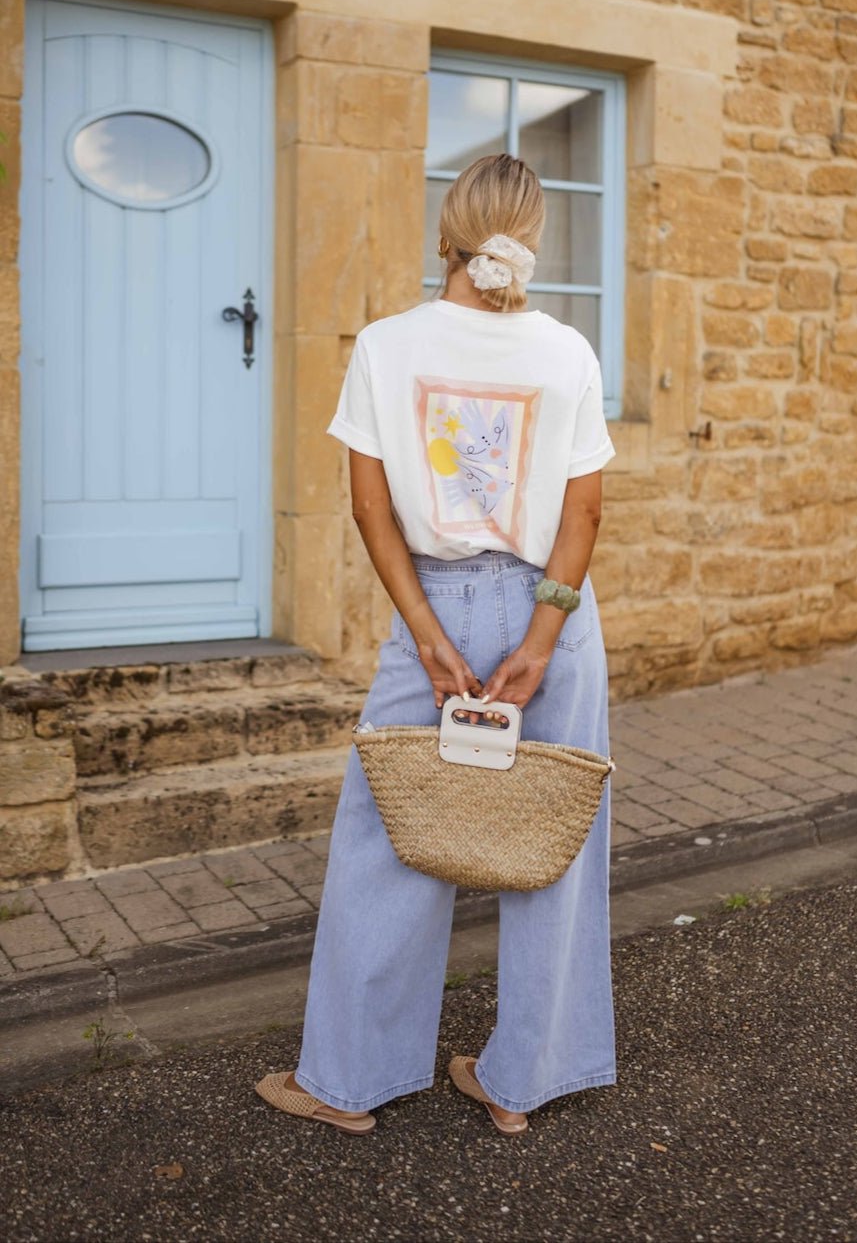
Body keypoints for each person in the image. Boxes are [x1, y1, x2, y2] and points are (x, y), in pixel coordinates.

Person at [256, 153, 617, 1137]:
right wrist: (542, 639)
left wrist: (426, 633)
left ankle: (347, 1081)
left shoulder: (385, 343)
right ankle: (519, 1083)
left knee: (386, 834)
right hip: (556, 613)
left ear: (445, 233)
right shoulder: (570, 354)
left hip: (438, 605)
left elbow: (370, 504)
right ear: (532, 239)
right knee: (557, 839)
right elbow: (584, 512)